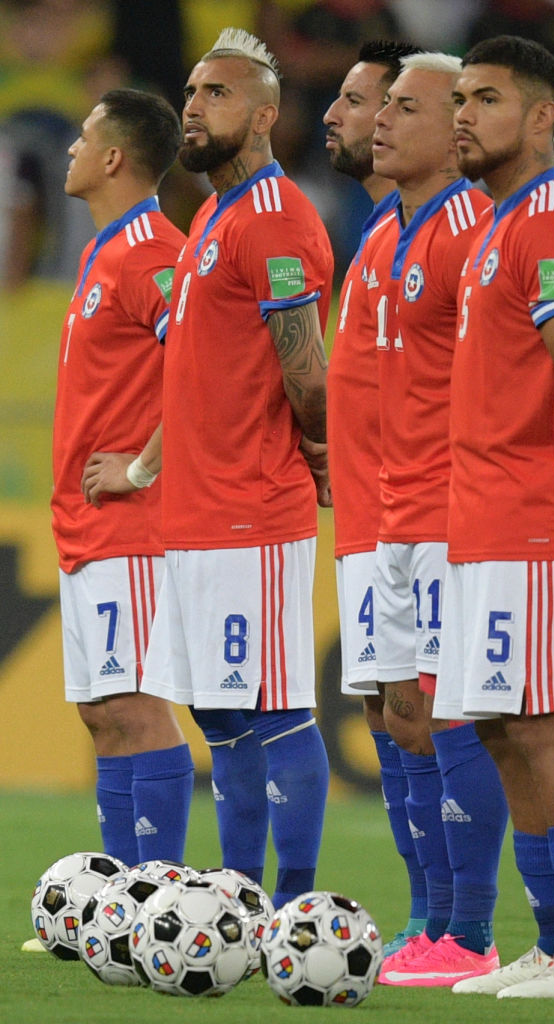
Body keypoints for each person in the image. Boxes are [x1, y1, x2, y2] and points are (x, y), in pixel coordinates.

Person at [83, 27, 333, 908]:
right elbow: (195, 376)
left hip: (249, 514)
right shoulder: (212, 221)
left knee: (277, 709)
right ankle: (237, 894)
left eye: (217, 95)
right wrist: (147, 469)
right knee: (222, 719)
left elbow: (307, 374)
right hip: (191, 517)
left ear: (265, 115)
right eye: (191, 93)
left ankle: (293, 906)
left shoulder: (273, 219)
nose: (194, 107)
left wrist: (320, 451)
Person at [434, 35, 554, 999]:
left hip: (535, 518)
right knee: (501, 731)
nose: (463, 113)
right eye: (458, 97)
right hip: (482, 522)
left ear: (540, 117)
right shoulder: (495, 223)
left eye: (487, 98)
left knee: (544, 728)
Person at [352, 51, 508, 987]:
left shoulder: (467, 226)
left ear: (452, 126)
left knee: (451, 719)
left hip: (452, 509)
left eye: (403, 108)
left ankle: (470, 929)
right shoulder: (397, 232)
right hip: (394, 510)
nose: (380, 120)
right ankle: (432, 922)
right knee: (409, 720)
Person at [51, 88, 194, 870]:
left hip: (134, 525)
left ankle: (156, 888)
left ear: (113, 158)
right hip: (87, 525)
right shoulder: (102, 250)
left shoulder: (154, 254)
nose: (70, 151)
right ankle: (118, 895)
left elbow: (204, 370)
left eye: (81, 137)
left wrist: (142, 464)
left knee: (136, 707)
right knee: (102, 712)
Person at [323, 38, 429, 956]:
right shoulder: (376, 237)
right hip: (363, 513)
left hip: (417, 515)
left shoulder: (445, 224)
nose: (347, 117)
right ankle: (424, 916)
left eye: (364, 101)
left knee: (419, 709)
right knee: (381, 712)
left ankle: (453, 920)